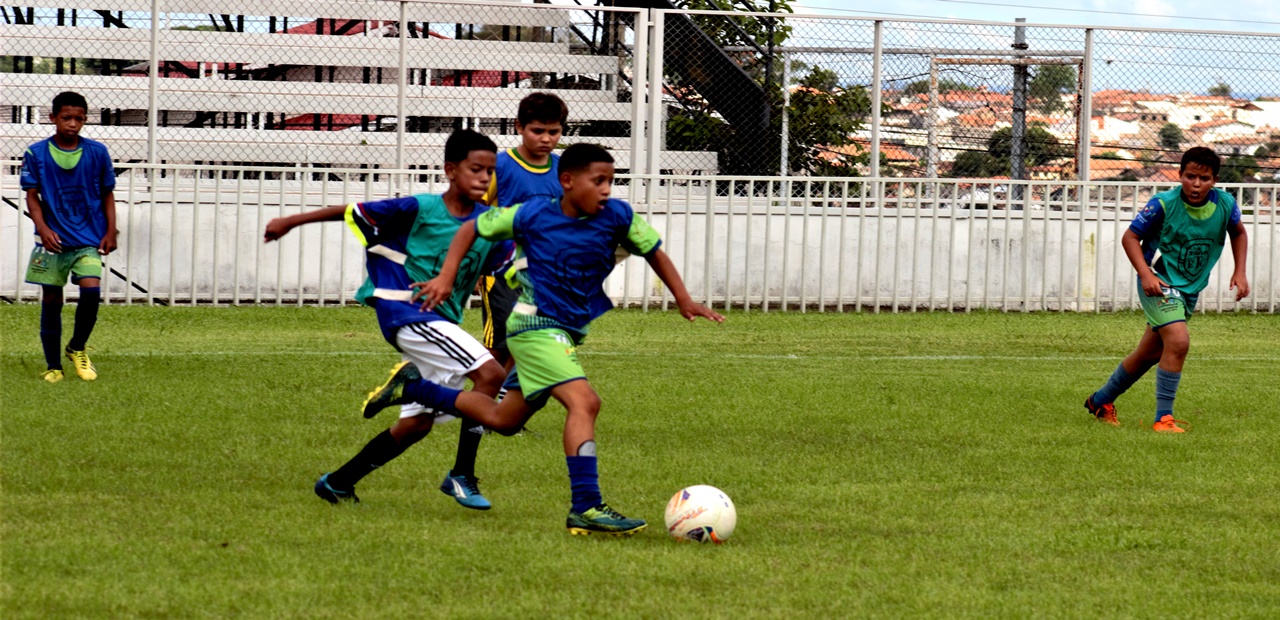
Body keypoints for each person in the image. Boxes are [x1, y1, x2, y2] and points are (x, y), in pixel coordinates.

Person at [362, 143, 724, 536]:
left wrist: (684, 299)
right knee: (585, 402)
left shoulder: (618, 216)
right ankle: (586, 506)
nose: (606, 190)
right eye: (598, 181)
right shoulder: (534, 214)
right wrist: (448, 277)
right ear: (567, 181)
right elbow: (471, 228)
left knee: (504, 420)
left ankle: (415, 388)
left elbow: (654, 251)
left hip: (563, 331)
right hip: (535, 327)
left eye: (611, 181)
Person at [263, 129, 512, 509]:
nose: (483, 178)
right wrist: (292, 221)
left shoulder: (490, 225)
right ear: (450, 170)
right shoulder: (420, 208)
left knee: (415, 427)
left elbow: (512, 265)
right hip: (407, 312)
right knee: (492, 374)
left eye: (489, 171)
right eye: (475, 169)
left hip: (441, 322)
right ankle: (460, 472)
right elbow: (352, 211)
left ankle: (338, 482)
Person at [1084, 147, 1248, 432]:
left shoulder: (1225, 204)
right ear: (1180, 175)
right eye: (1190, 176)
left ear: (1215, 179)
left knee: (1148, 354)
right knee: (1179, 342)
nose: (1196, 184)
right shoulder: (1163, 203)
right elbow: (1130, 237)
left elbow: (1238, 232)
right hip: (1158, 283)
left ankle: (1100, 401)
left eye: (1204, 178)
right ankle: (1163, 419)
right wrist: (1145, 274)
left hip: (1189, 289)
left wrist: (1240, 270)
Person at [21, 91, 118, 383]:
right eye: (66, 118)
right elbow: (32, 196)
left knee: (91, 291)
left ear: (85, 120)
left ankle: (77, 347)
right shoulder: (36, 153)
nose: (72, 124)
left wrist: (111, 230)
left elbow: (107, 194)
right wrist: (43, 228)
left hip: (88, 239)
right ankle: (54, 366)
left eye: (79, 118)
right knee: (51, 299)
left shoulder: (97, 153)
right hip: (52, 242)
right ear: (53, 118)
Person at [478, 92, 569, 373]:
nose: (546, 138)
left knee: (529, 340)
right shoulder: (500, 167)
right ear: (519, 127)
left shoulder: (563, 170)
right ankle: (477, 407)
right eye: (537, 131)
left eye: (554, 132)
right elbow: (475, 216)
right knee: (500, 345)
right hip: (502, 271)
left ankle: (503, 412)